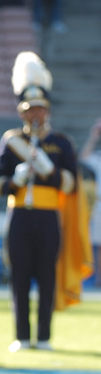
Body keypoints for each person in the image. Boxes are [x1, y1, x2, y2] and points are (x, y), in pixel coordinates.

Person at [0, 51, 91, 352]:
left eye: (40, 109)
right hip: (19, 214)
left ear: (47, 112)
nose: (35, 114)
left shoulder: (61, 143)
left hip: (49, 216)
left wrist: (48, 169)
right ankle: (21, 335)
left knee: (47, 275)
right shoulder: (11, 141)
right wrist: (16, 179)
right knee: (19, 275)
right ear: (22, 113)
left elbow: (73, 184)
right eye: (29, 109)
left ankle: (44, 337)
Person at [78, 117, 101, 286]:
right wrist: (94, 136)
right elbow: (83, 157)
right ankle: (99, 280)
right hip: (99, 203)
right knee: (99, 244)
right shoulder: (98, 157)